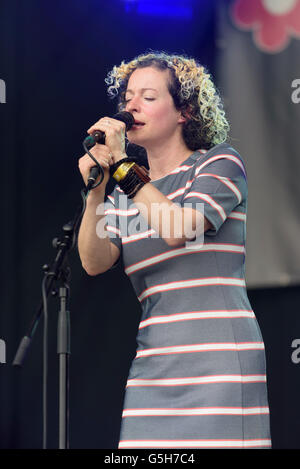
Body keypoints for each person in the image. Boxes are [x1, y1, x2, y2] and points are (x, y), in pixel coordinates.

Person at [77, 52, 271, 449]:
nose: (131, 106)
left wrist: (121, 167)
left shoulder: (218, 164)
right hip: (154, 369)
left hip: (219, 366)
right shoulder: (124, 192)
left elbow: (178, 228)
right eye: (128, 97)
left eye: (148, 97)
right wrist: (97, 191)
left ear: (184, 111)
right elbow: (94, 262)